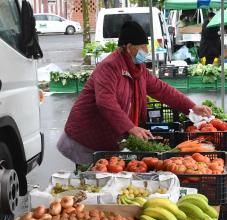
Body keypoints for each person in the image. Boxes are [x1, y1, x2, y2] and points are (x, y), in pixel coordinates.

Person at [58, 21, 212, 165]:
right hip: (86, 138)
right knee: (91, 181)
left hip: (110, 138)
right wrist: (130, 127)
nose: (146, 51)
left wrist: (192, 107)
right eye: (143, 46)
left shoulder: (138, 69)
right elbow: (105, 102)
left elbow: (161, 90)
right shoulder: (110, 67)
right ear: (129, 46)